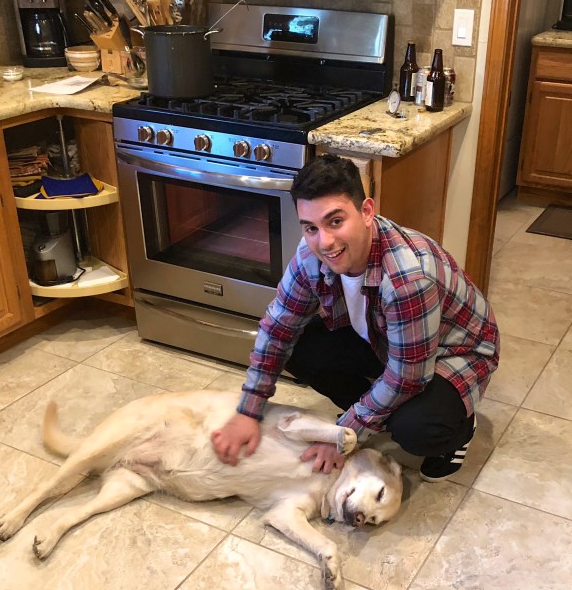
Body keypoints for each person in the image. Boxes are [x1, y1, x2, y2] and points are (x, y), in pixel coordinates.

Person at [211, 154, 499, 481]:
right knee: (299, 346)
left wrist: (343, 436)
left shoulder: (408, 279)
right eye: (311, 227)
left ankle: (459, 427)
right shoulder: (310, 255)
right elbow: (278, 329)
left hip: (456, 352)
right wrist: (248, 411)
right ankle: (376, 412)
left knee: (416, 427)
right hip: (388, 341)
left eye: (335, 221)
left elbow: (409, 377)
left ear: (366, 211)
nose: (325, 242)